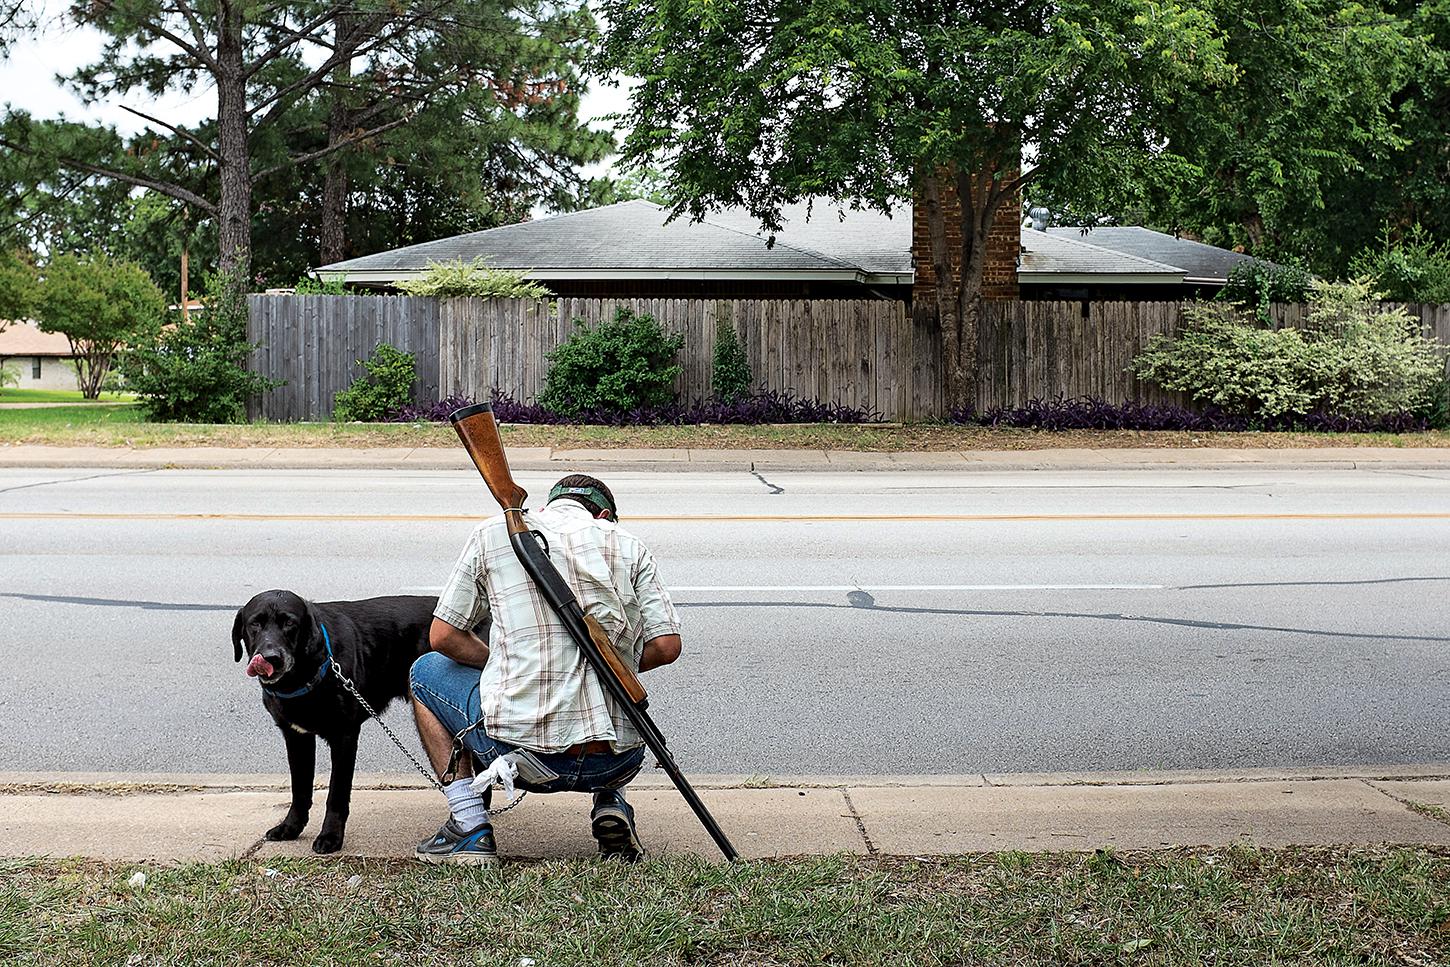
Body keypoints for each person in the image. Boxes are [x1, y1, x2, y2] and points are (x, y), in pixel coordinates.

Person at [409, 473, 682, 865]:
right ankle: (611, 801)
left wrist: (508, 665)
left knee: (426, 671)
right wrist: (610, 665)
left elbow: (444, 636)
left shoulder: (493, 534)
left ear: (545, 507)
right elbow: (666, 646)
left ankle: (469, 827)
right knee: (609, 703)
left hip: (522, 758)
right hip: (618, 761)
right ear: (604, 516)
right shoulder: (629, 546)